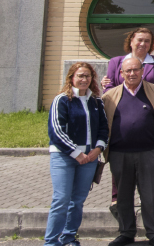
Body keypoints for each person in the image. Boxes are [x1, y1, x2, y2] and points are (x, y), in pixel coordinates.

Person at [103, 56, 154, 246]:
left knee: (150, 195)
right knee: (123, 195)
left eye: (136, 70)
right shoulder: (109, 96)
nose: (132, 73)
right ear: (121, 73)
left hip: (148, 151)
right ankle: (126, 232)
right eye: (128, 71)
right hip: (119, 153)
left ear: (142, 71)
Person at [46, 62, 108, 246]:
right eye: (80, 75)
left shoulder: (96, 101)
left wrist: (97, 149)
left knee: (78, 201)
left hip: (90, 158)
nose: (84, 79)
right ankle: (51, 242)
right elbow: (56, 131)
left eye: (87, 76)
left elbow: (104, 129)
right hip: (64, 157)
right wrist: (76, 153)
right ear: (71, 77)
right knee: (61, 199)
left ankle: (68, 237)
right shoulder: (62, 100)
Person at [102, 27, 154, 92]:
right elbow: (108, 88)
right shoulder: (115, 62)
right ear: (131, 42)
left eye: (147, 41)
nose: (143, 44)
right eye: (139, 40)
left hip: (149, 102)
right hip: (120, 102)